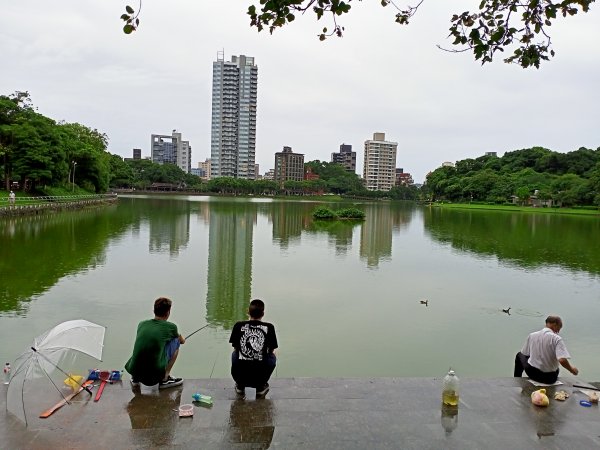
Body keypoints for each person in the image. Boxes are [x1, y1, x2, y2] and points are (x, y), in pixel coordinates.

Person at [125, 297, 185, 389]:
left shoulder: (142, 324)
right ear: (168, 312)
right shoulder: (171, 327)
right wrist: (181, 339)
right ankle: (165, 379)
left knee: (145, 343)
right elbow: (181, 341)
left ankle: (135, 378)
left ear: (154, 311)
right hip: (153, 379)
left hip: (134, 371)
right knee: (176, 342)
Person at [229, 299, 278, 397]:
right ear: (263, 313)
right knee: (273, 356)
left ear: (248, 312)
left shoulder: (238, 325)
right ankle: (260, 387)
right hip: (259, 377)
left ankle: (240, 386)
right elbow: (272, 349)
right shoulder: (269, 327)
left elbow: (235, 347)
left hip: (241, 376)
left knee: (235, 354)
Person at [514, 315, 578, 384]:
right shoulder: (557, 339)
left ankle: (517, 380)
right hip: (551, 378)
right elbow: (562, 359)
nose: (558, 331)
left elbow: (525, 353)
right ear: (554, 324)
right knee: (554, 365)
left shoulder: (532, 335)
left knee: (519, 355)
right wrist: (572, 370)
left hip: (533, 374)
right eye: (559, 327)